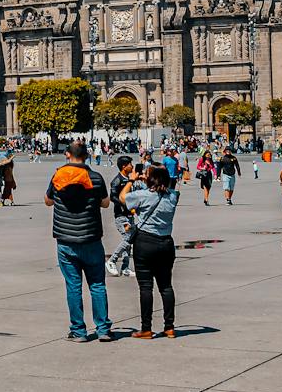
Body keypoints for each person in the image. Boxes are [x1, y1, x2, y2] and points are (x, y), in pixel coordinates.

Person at [44, 141, 112, 343]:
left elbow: (48, 201)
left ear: (67, 155)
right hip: (91, 238)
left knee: (73, 286)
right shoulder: (96, 178)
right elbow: (106, 203)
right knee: (97, 285)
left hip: (66, 240)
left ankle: (79, 331)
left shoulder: (58, 177)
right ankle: (103, 329)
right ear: (87, 155)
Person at [119, 163, 180, 338]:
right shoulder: (173, 197)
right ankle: (169, 327)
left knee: (146, 287)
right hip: (166, 242)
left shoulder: (143, 195)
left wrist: (132, 180)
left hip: (145, 242)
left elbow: (123, 197)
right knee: (166, 286)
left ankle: (146, 328)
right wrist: (155, 178)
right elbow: (170, 189)